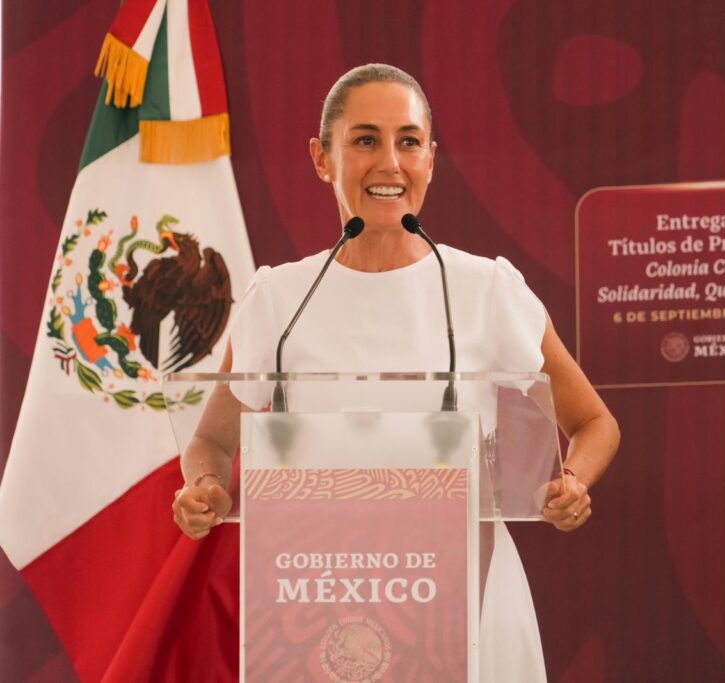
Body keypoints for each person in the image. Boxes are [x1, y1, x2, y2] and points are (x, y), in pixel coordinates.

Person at [171, 63, 619, 680]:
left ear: (430, 159)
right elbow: (211, 442)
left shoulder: (485, 289)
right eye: (365, 140)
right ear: (322, 158)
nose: (390, 162)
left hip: (472, 600)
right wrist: (206, 488)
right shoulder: (279, 299)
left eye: (409, 142)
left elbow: (594, 422)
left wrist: (572, 483)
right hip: (317, 609)